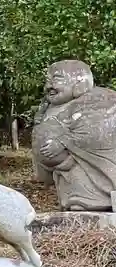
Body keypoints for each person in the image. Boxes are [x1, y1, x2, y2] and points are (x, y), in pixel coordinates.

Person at [32, 59, 116, 211]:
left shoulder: (100, 99)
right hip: (65, 175)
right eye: (47, 81)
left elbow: (98, 132)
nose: (49, 86)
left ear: (80, 81)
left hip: (92, 174)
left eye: (56, 79)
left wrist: (63, 142)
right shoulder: (51, 107)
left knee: (86, 201)